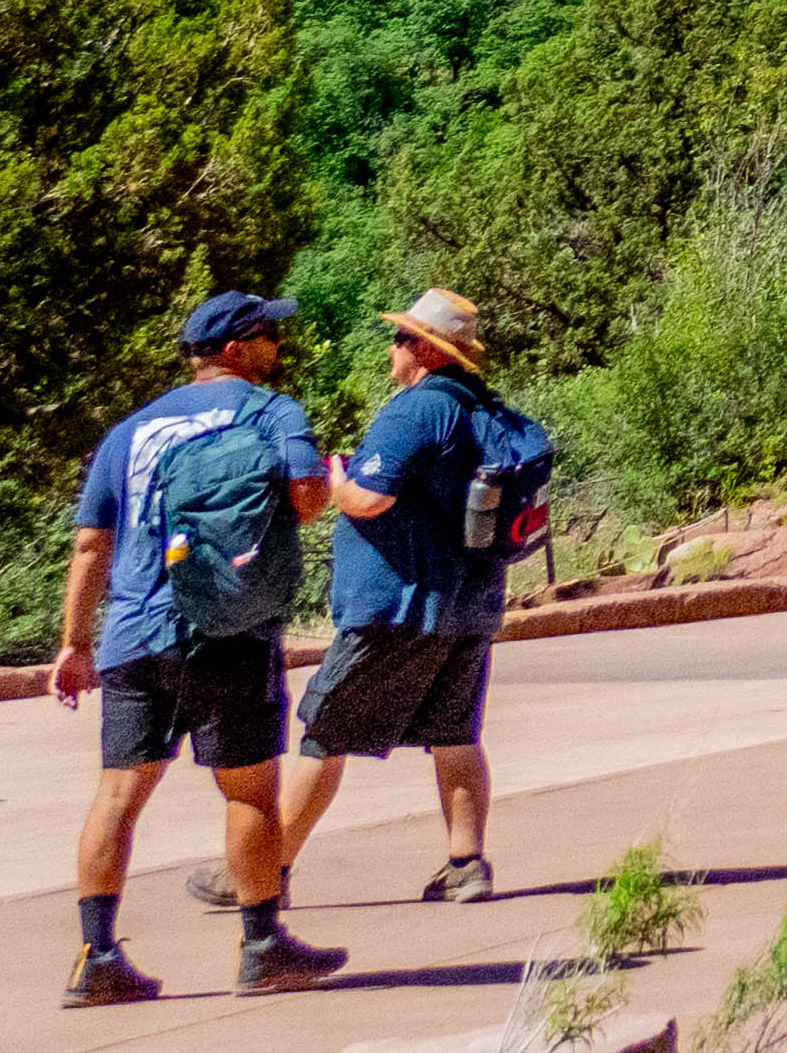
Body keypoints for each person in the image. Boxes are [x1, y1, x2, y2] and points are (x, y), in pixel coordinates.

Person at [58, 293, 358, 1006]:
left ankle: (95, 958)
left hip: (132, 632)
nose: (276, 348)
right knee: (248, 789)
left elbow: (90, 543)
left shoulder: (128, 431)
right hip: (228, 626)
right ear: (236, 349)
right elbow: (310, 496)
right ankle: (262, 946)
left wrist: (74, 644)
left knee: (118, 794)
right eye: (267, 337)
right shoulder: (270, 411)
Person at [270, 293, 548, 907]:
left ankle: (264, 873)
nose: (392, 349)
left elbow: (369, 498)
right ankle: (466, 865)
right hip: (470, 603)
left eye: (399, 339)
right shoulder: (484, 410)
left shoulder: (416, 410)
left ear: (422, 349)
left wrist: (339, 481)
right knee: (455, 733)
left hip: (397, 608)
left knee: (325, 731)